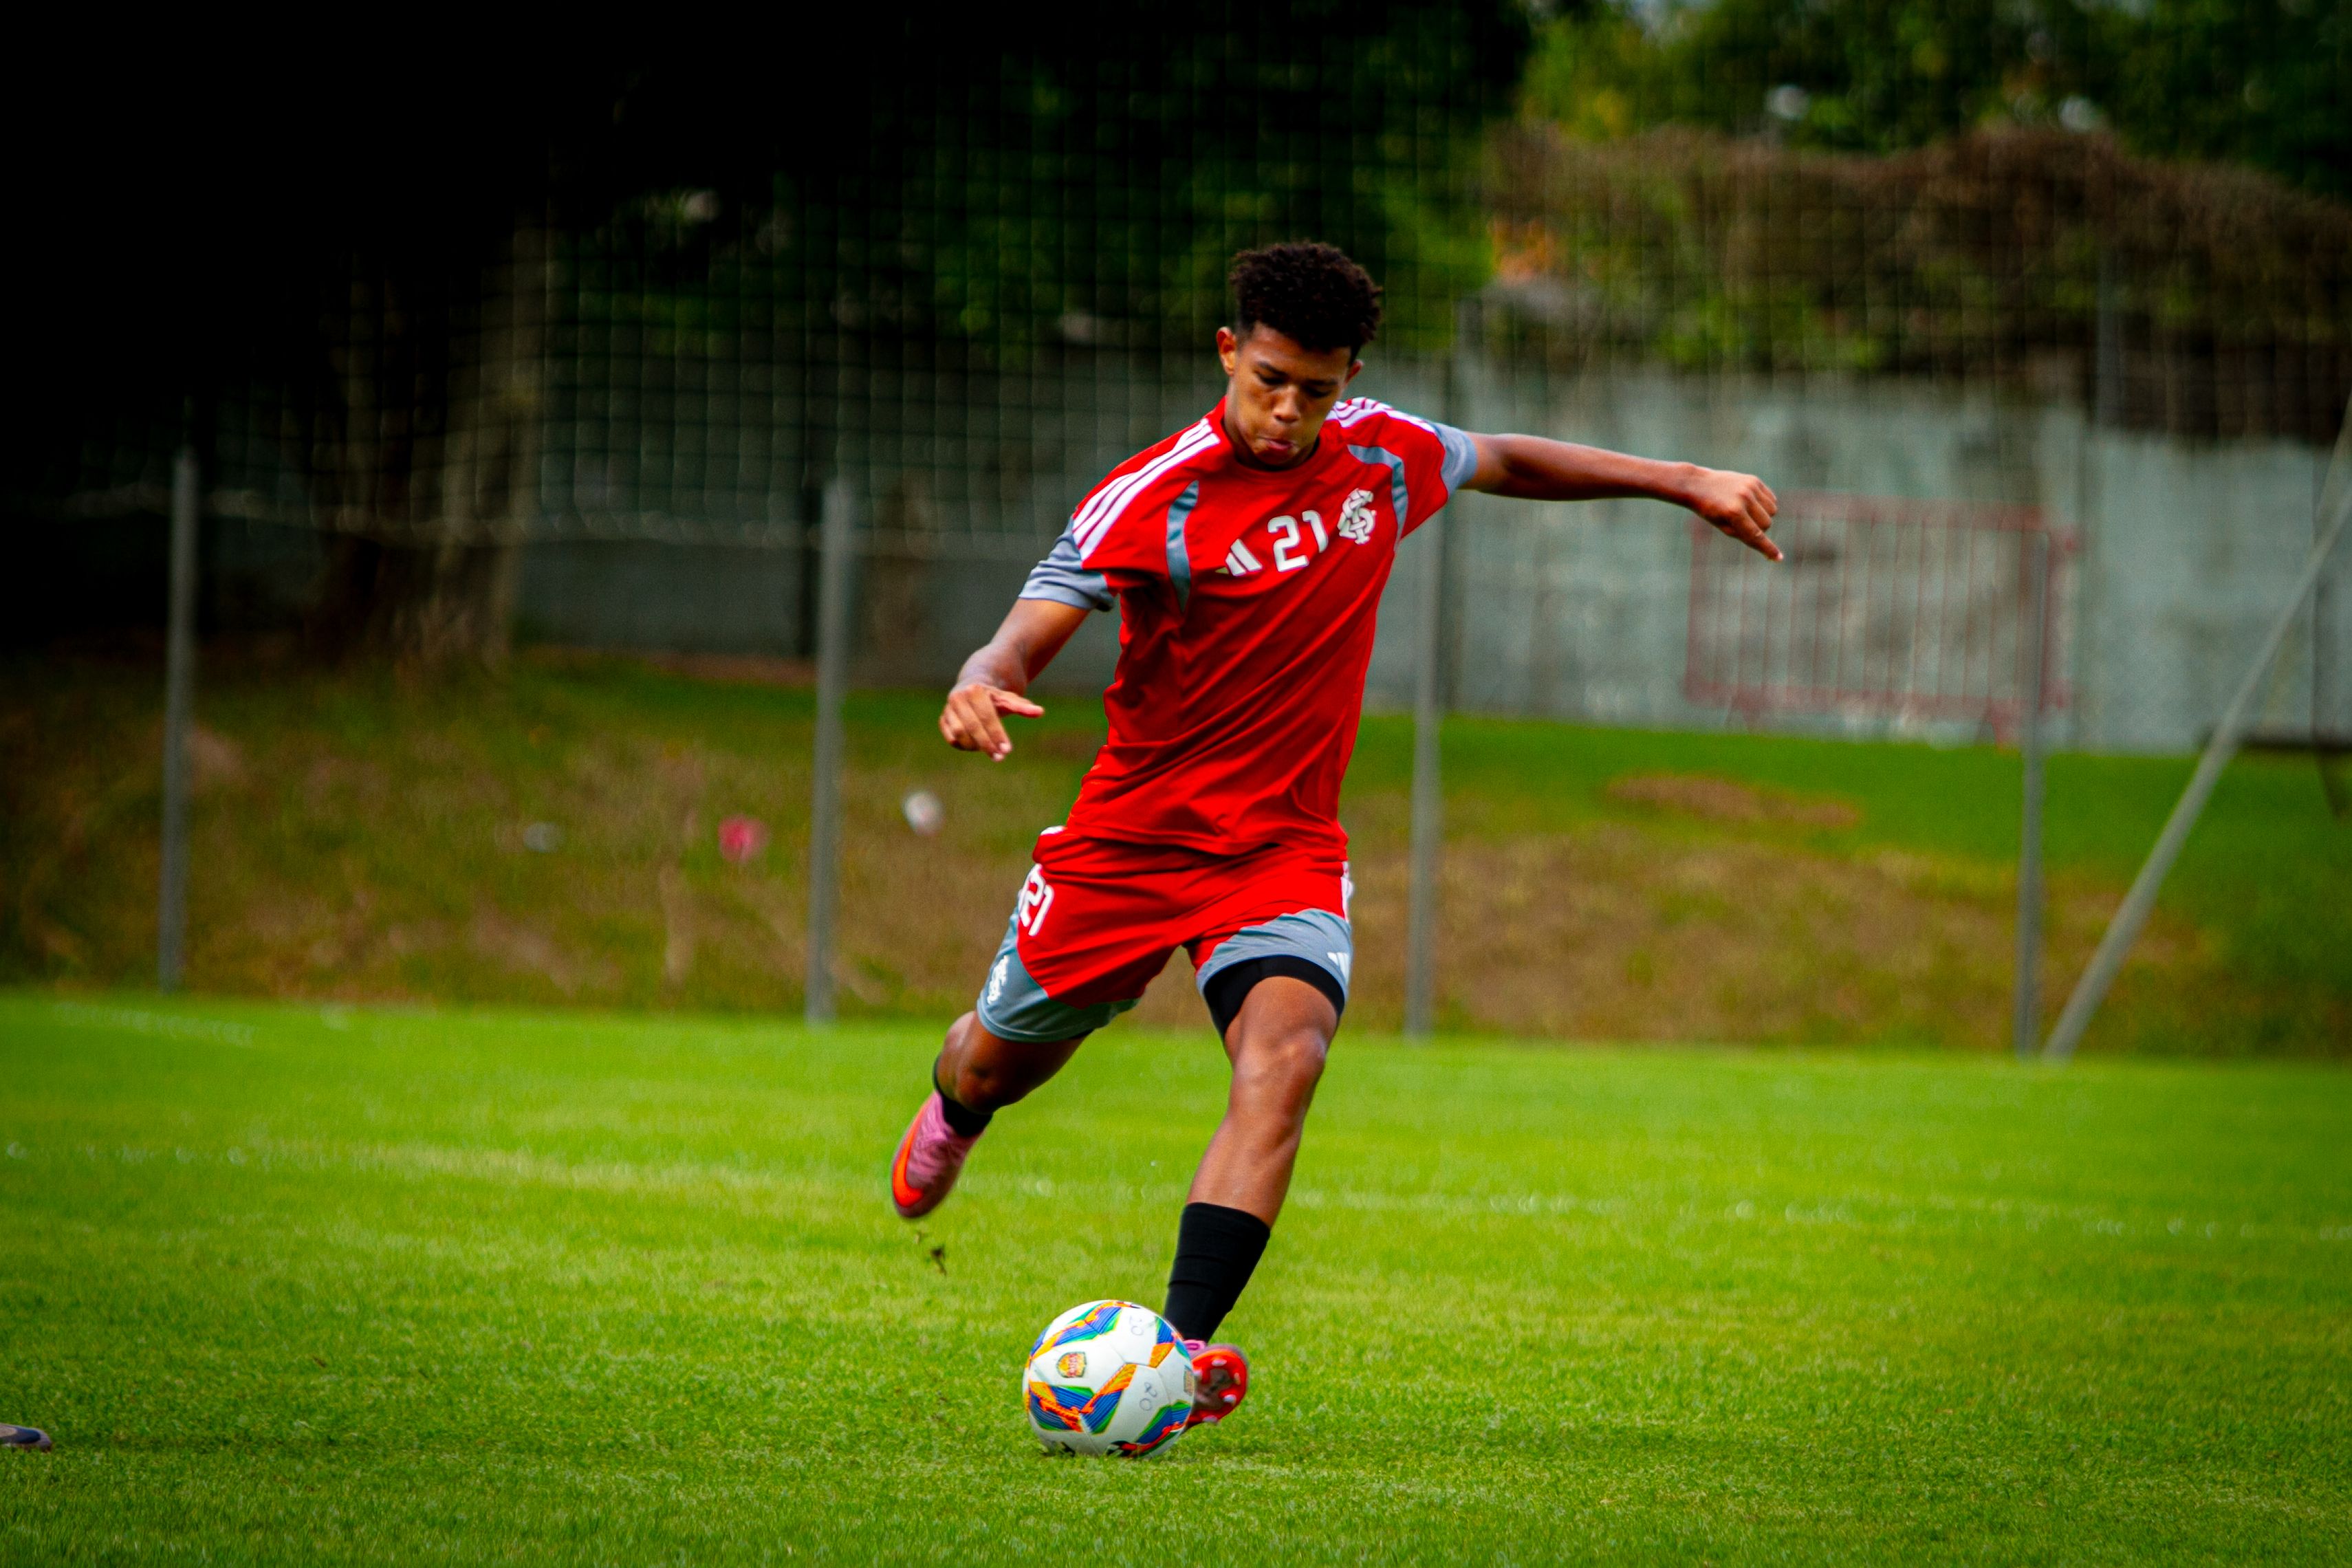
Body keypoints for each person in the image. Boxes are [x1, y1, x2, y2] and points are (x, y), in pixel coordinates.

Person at [889, 241, 1781, 1430]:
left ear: (1349, 377)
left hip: (1282, 852)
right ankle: (955, 1111)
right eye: (1269, 380)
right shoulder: (1155, 496)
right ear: (1229, 353)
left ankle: (1180, 1354)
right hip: (1131, 846)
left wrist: (1685, 480)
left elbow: (1503, 457)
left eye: (1315, 389)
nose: (1287, 410)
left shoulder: (1381, 457)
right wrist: (979, 679)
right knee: (996, 1061)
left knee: (1287, 1059)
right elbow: (1030, 624)